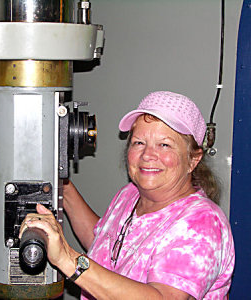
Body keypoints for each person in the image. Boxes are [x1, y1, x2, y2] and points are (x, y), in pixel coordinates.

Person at [20, 91, 235, 299]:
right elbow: (105, 247)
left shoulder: (202, 224)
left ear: (193, 159)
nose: (148, 155)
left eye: (164, 145)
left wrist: (68, 259)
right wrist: (61, 187)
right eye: (139, 142)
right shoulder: (131, 194)